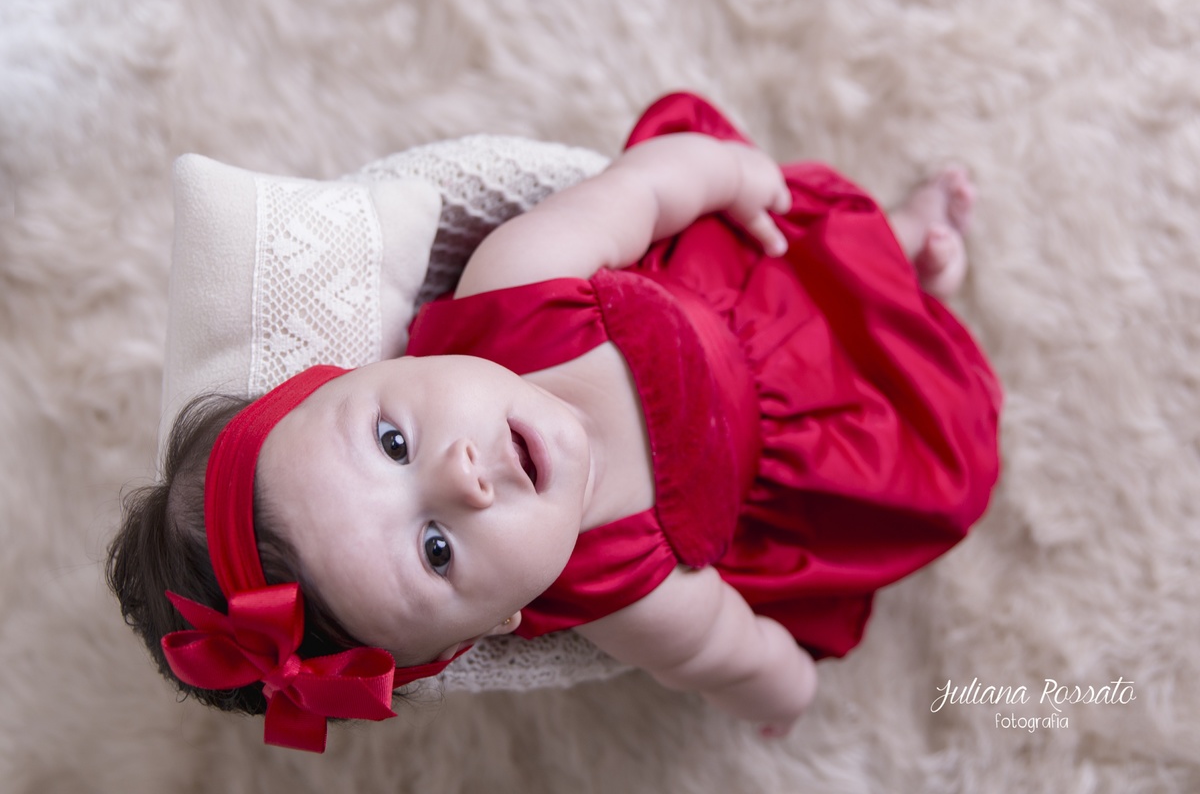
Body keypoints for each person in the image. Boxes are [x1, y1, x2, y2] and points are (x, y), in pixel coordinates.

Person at [107, 92, 1001, 753]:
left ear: (389, 364)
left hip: (764, 292)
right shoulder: (617, 586)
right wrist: (783, 688)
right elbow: (727, 649)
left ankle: (896, 243)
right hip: (824, 447)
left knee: (814, 235)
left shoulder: (512, 287)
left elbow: (644, 193)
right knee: (933, 455)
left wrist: (728, 172)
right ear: (498, 626)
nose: (463, 477)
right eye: (437, 551)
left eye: (393, 442)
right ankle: (916, 300)